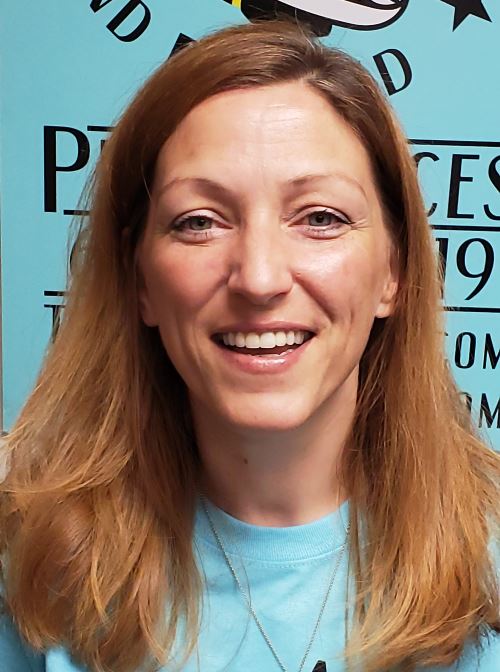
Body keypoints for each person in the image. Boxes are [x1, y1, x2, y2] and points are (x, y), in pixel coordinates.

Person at [0, 19, 498, 672]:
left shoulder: (487, 559)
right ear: (140, 282)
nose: (260, 278)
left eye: (321, 218)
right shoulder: (33, 563)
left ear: (394, 272)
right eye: (198, 222)